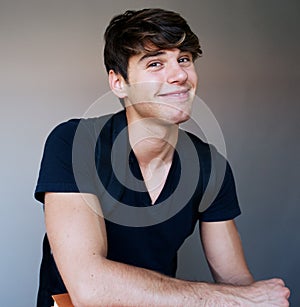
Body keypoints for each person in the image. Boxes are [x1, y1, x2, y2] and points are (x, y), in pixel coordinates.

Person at [34, 8, 290, 307]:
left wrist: (257, 300)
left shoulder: (210, 165)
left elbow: (237, 284)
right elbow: (90, 287)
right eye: (155, 63)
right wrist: (231, 299)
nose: (180, 74)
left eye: (184, 59)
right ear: (119, 83)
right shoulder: (73, 142)